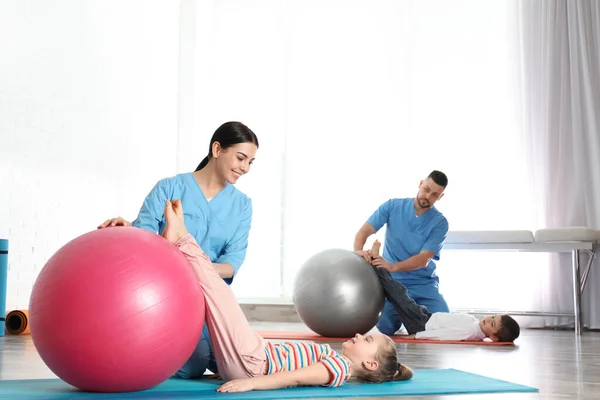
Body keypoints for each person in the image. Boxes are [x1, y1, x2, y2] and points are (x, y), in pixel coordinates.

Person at [155, 198, 413, 392]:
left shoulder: (340, 368)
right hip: (250, 358)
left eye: (367, 341)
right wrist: (230, 369)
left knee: (219, 294)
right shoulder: (337, 361)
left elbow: (294, 377)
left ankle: (181, 238)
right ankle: (180, 243)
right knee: (214, 303)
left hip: (253, 363)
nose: (359, 335)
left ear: (369, 365)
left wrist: (250, 384)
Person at [97, 121, 259, 380]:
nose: (245, 168)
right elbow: (143, 239)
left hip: (213, 302)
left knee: (241, 361)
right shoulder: (169, 188)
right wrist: (123, 228)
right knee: (193, 365)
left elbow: (231, 264)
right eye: (241, 158)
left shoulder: (242, 205)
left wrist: (192, 265)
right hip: (170, 298)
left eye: (251, 162)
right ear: (217, 149)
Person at [353, 170, 450, 336]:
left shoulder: (440, 223)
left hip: (423, 283)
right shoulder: (392, 206)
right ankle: (410, 316)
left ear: (440, 197)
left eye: (434, 194)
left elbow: (423, 259)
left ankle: (413, 315)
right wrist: (358, 252)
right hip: (393, 283)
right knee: (386, 327)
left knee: (444, 323)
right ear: (420, 184)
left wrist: (392, 266)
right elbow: (363, 232)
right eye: (426, 189)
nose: (427, 196)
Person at [369, 240, 520, 343]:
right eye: (493, 317)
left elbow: (445, 334)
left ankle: (376, 263)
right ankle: (377, 265)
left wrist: (418, 336)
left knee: (397, 293)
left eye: (492, 325)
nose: (488, 320)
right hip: (426, 317)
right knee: (399, 293)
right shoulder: (475, 326)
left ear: (493, 338)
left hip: (421, 324)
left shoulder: (471, 332)